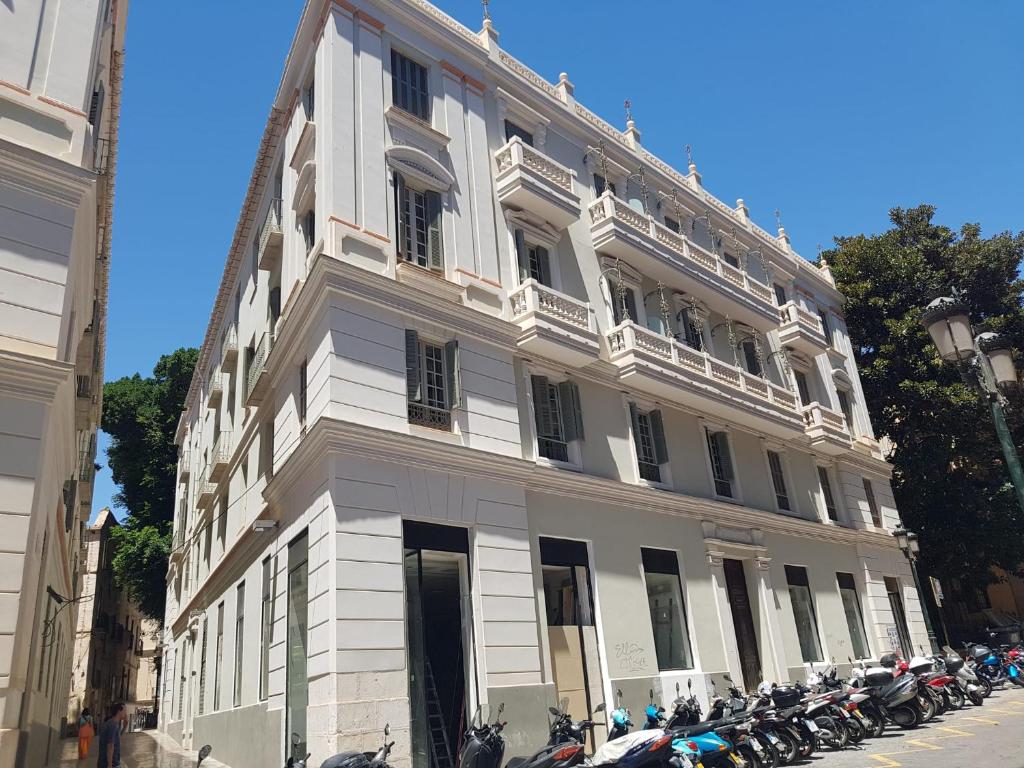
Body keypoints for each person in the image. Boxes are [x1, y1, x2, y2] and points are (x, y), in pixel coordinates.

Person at [97, 703, 127, 768]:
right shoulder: (112, 725)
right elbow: (110, 746)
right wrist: (109, 765)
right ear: (119, 711)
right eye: (125, 710)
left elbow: (117, 740)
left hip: (108, 763)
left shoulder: (113, 723)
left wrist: (125, 727)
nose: (126, 713)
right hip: (110, 764)